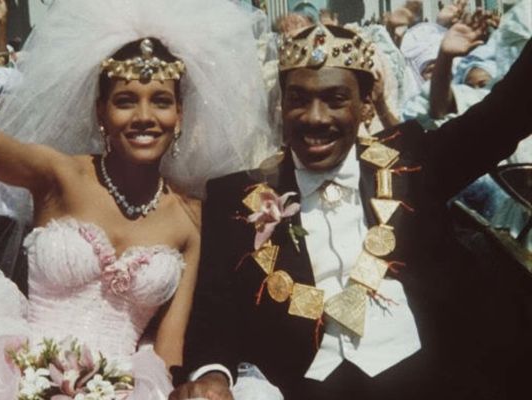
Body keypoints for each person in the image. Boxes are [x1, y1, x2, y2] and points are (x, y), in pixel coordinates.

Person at [0, 0, 276, 398]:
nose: (144, 116)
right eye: (125, 101)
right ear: (100, 112)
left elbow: (168, 350)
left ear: (180, 113)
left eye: (161, 101)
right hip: (14, 378)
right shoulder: (58, 176)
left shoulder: (188, 217)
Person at [171, 21, 532, 400]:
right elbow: (215, 312)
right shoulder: (237, 197)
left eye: (336, 99)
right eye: (298, 99)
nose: (315, 117)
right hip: (307, 389)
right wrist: (214, 375)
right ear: (281, 105)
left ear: (365, 104)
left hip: (433, 381)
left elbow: (505, 115)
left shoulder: (410, 163)